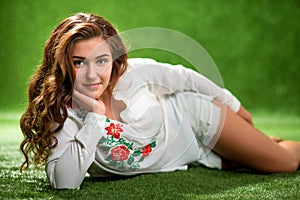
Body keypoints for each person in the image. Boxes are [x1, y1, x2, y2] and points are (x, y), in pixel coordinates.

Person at [20, 13, 300, 189]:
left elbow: (185, 77)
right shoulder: (64, 111)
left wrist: (237, 108)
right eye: (79, 62)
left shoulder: (133, 74)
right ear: (64, 64)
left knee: (284, 163)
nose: (92, 74)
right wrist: (93, 116)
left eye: (102, 60)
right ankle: (260, 142)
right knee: (256, 160)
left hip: (198, 120)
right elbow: (64, 183)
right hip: (192, 156)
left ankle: (265, 142)